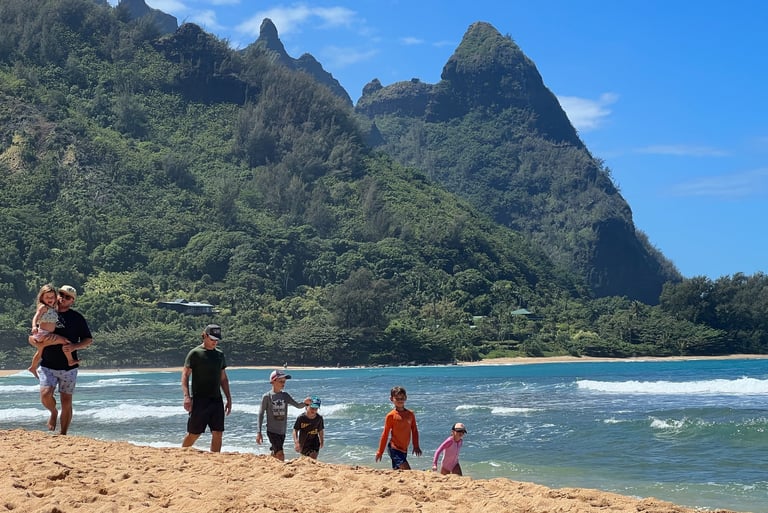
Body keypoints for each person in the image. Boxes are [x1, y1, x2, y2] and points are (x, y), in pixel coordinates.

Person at [27, 285, 93, 435]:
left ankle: (63, 434)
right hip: (47, 364)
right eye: (61, 294)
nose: (63, 298)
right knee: (45, 394)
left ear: (73, 301)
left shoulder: (77, 318)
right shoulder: (48, 310)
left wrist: (75, 347)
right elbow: (32, 337)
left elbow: (88, 339)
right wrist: (42, 342)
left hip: (68, 368)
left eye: (68, 297)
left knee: (66, 401)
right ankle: (53, 412)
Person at [181, 324, 232, 452]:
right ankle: (181, 453)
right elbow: (185, 375)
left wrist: (229, 399)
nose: (215, 342)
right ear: (205, 336)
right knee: (194, 433)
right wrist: (187, 397)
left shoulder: (219, 355)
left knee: (218, 432)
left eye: (217, 340)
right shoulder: (195, 353)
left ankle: (215, 458)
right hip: (200, 400)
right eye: (212, 339)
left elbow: (223, 378)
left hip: (216, 399)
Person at [256, 369, 310, 461]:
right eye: (281, 381)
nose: (283, 383)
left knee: (276, 451)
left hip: (282, 431)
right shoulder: (267, 396)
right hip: (272, 431)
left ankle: (272, 458)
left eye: (284, 381)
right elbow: (261, 414)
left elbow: (297, 405)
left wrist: (305, 403)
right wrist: (259, 432)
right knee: (280, 454)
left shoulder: (285, 396)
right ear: (273, 382)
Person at [28, 284, 78, 378]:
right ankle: (70, 360)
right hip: (43, 334)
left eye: (52, 297)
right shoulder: (43, 307)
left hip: (47, 334)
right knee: (66, 341)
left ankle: (33, 367)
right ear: (42, 297)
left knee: (40, 351)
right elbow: (36, 317)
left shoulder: (53, 308)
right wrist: (34, 326)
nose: (50, 299)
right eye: (47, 297)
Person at [375, 386, 422, 470]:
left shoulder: (410, 414)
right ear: (391, 399)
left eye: (402, 398)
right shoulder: (391, 416)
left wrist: (416, 446)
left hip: (404, 449)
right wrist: (380, 451)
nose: (400, 400)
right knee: (407, 470)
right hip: (394, 448)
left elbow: (414, 430)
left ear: (406, 398)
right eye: (397, 398)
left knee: (398, 471)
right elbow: (385, 434)